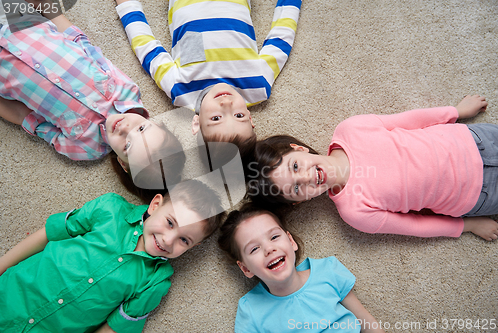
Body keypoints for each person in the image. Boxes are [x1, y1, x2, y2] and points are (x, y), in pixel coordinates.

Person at [247, 95, 498, 241]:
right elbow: (415, 226)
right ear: (299, 202)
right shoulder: (355, 212)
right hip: (476, 195)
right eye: (297, 187)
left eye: (294, 166)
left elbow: (411, 120)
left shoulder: (350, 129)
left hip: (473, 140)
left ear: (298, 149)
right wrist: (467, 226)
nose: (306, 177)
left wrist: (455, 111)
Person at [0, 8, 186, 198]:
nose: (125, 129)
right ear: (156, 122)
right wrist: (49, 8)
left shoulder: (85, 148)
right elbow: (85, 46)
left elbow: (25, 118)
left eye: (127, 147)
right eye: (141, 130)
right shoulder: (127, 91)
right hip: (25, 24)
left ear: (122, 163)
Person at [0, 179, 225, 332]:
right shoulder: (110, 208)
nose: (168, 240)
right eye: (169, 223)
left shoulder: (155, 281)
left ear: (193, 246)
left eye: (184, 240)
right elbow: (48, 234)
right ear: (155, 205)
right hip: (9, 295)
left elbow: (114, 328)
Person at [114, 0, 302, 144]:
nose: (227, 104)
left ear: (196, 123)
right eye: (238, 116)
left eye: (216, 118)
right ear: (250, 118)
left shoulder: (181, 91)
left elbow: (147, 49)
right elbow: (280, 39)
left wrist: (127, 6)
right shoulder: (258, 85)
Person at [218, 205, 384, 333]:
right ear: (246, 268)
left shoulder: (327, 271)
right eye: (254, 249)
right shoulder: (251, 308)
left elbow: (367, 322)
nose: (269, 249)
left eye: (274, 237)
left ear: (291, 241)